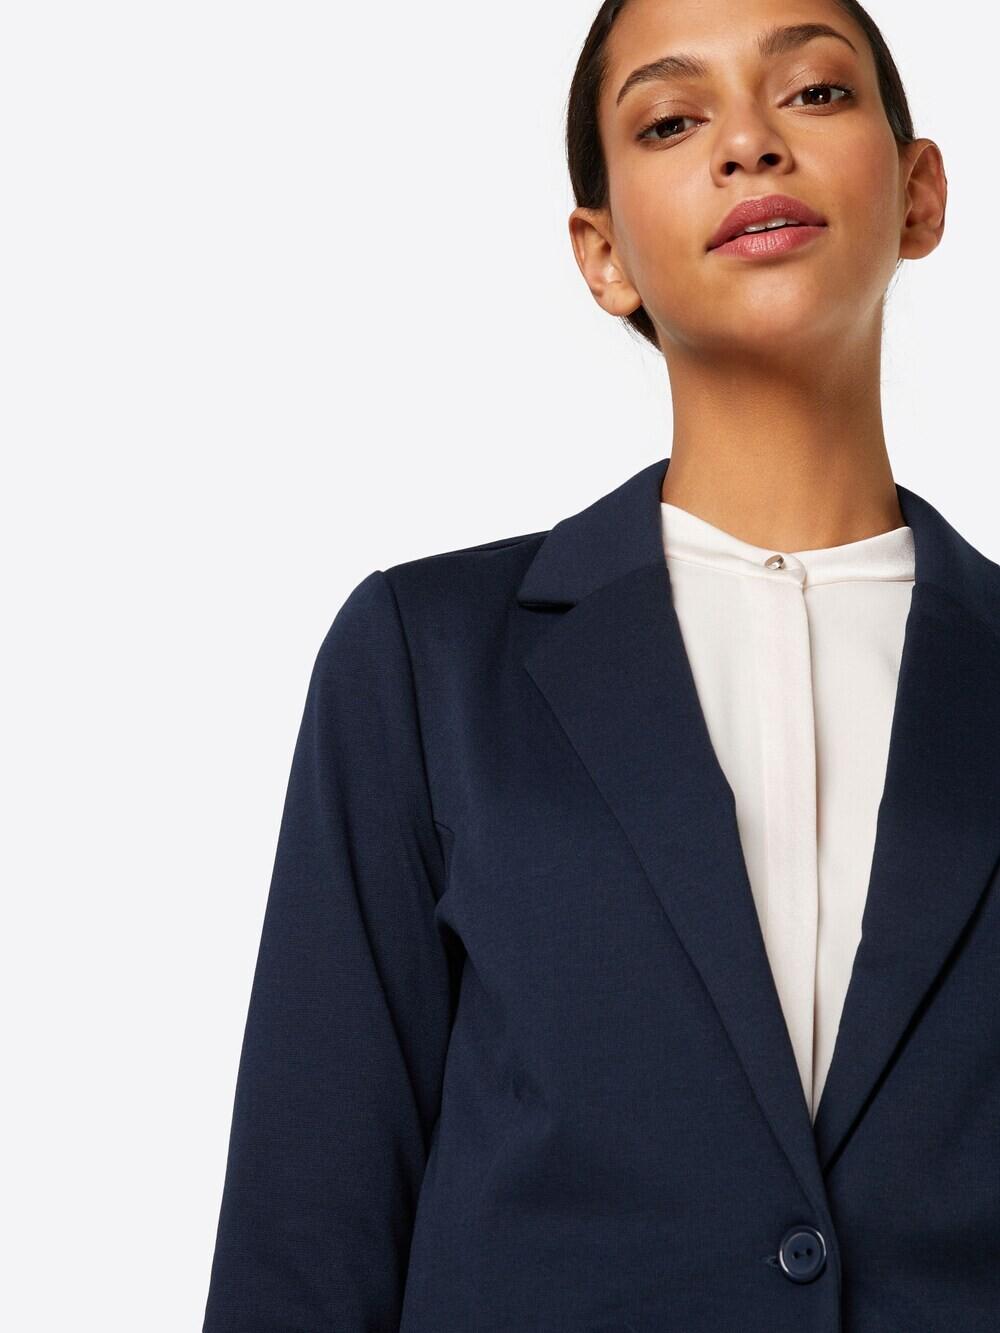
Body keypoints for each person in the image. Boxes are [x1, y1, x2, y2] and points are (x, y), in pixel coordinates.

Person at [203, 2, 1000, 1329]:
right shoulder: (428, 664)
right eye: (673, 121)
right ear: (604, 253)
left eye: (813, 92)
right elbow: (306, 1243)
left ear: (919, 193)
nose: (748, 143)